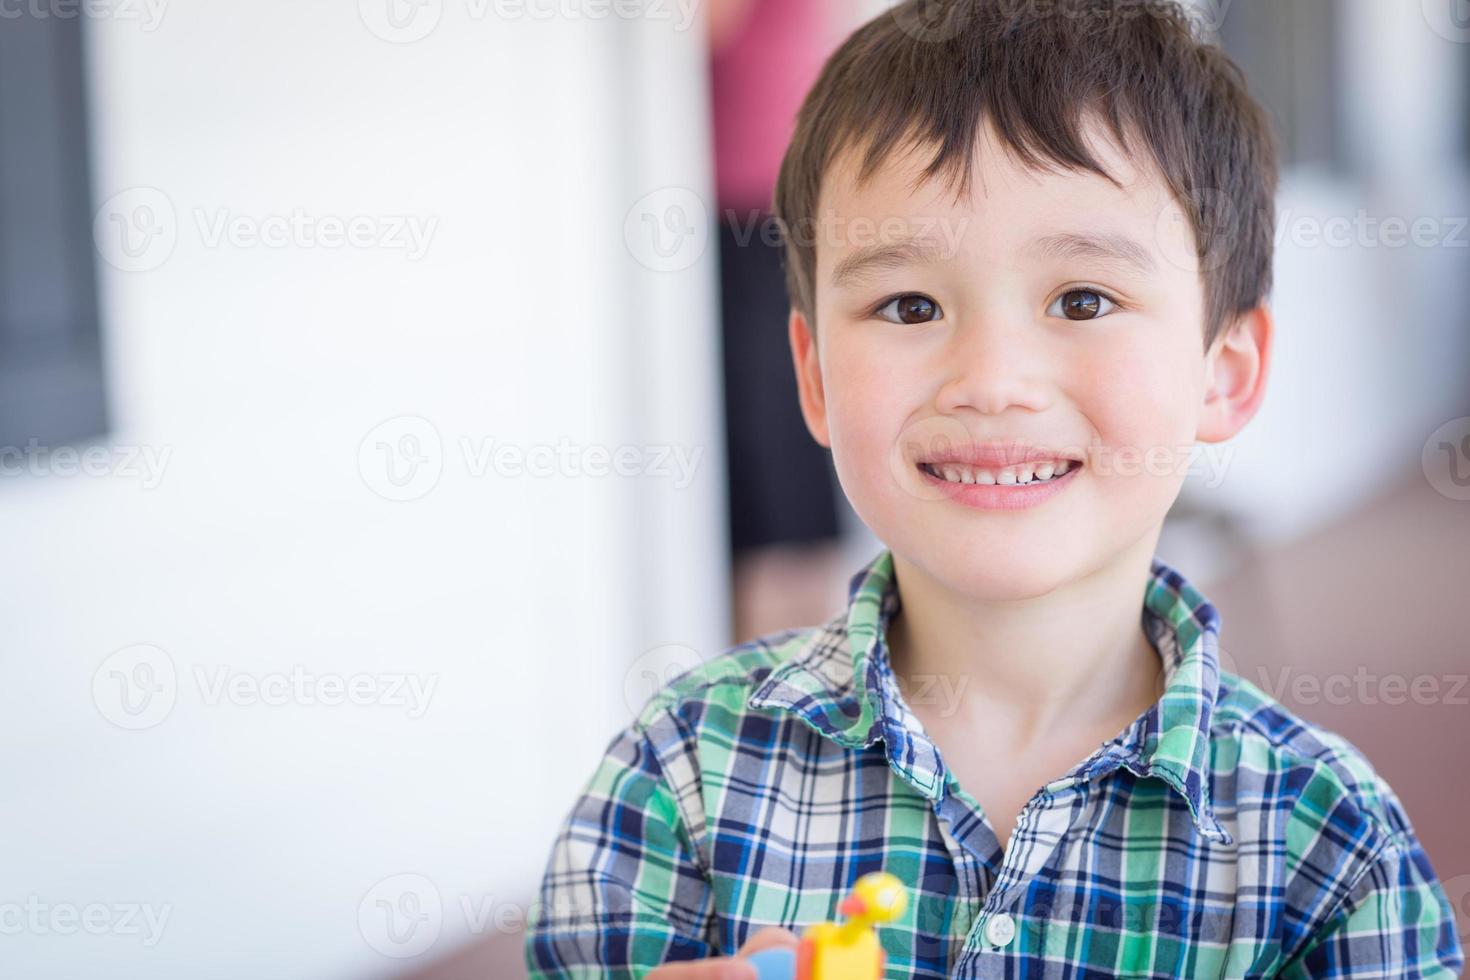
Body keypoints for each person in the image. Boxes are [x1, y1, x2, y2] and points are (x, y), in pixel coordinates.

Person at [527, 1, 1466, 976]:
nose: (989, 377)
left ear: (1223, 369)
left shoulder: (1332, 846)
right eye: (910, 304)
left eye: (1083, 298)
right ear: (813, 376)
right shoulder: (677, 774)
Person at [707, 0, 853, 645]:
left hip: (754, 215)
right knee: (776, 452)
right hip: (754, 211)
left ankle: (780, 683)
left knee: (773, 460)